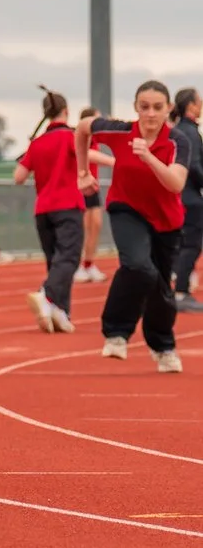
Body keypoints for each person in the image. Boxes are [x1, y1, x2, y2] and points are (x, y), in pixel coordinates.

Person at [77, 81, 195, 372]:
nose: (151, 114)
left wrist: (149, 157)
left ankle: (163, 346)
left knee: (160, 288)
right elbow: (82, 128)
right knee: (138, 266)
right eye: (144, 107)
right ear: (135, 108)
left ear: (168, 109)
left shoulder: (179, 140)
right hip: (126, 209)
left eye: (157, 107)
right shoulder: (120, 130)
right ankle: (116, 333)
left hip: (166, 221)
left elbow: (176, 183)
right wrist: (82, 172)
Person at [14, 87, 82, 333]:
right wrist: (114, 162)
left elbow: (18, 176)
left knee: (55, 261)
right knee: (69, 258)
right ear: (66, 111)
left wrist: (32, 153)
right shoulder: (71, 138)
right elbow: (88, 154)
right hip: (68, 205)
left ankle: (60, 311)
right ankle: (48, 295)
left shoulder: (38, 144)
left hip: (43, 209)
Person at [171, 88, 203, 312]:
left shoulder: (176, 131)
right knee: (191, 245)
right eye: (199, 101)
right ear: (191, 106)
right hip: (190, 197)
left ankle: (175, 289)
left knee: (178, 245)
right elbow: (193, 166)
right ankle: (181, 292)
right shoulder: (190, 133)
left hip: (177, 195)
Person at [77, 107, 110, 286]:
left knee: (95, 225)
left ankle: (88, 264)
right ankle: (78, 265)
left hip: (93, 187)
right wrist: (113, 162)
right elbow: (88, 155)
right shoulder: (81, 138)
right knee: (82, 228)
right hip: (81, 186)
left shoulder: (96, 138)